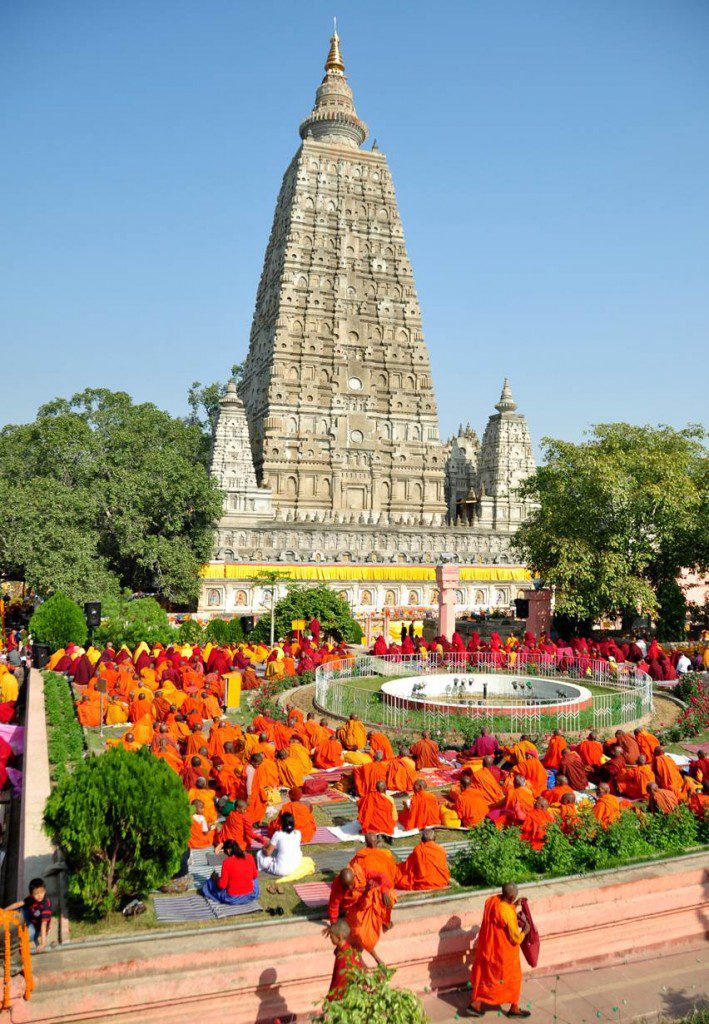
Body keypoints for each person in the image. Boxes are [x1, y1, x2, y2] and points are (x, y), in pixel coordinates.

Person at [466, 882, 531, 1018]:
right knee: (513, 978)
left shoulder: (491, 901)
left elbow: (500, 913)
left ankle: (476, 1004)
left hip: (488, 950)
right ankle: (514, 1008)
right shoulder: (507, 912)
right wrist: (525, 931)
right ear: (512, 896)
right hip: (503, 954)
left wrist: (514, 905)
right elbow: (516, 938)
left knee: (485, 977)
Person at [200, 839, 259, 905]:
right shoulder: (249, 857)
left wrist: (215, 879)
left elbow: (222, 886)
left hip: (233, 898)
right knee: (255, 879)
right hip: (250, 895)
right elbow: (255, 876)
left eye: (225, 852)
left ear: (228, 851)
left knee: (209, 883)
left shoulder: (227, 862)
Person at [325, 919, 365, 1002]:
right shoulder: (348, 950)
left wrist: (329, 1000)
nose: (330, 937)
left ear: (339, 937)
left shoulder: (344, 957)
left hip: (345, 998)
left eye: (331, 936)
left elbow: (339, 982)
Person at [8, 878, 52, 953]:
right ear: (31, 894)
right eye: (36, 894)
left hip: (37, 926)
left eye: (42, 892)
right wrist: (3, 911)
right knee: (20, 908)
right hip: (30, 916)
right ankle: (11, 923)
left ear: (45, 891)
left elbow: (43, 925)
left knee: (27, 937)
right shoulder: (31, 898)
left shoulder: (45, 906)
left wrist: (43, 944)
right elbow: (18, 904)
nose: (40, 895)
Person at [256, 811, 303, 877]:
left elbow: (268, 853)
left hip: (282, 870)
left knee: (259, 854)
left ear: (281, 823)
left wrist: (263, 848)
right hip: (296, 863)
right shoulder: (298, 833)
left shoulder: (278, 834)